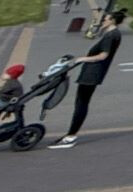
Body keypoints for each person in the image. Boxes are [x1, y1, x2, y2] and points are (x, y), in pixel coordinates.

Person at [53, 8, 127, 149]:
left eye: (105, 19)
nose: (103, 20)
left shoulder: (111, 35)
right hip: (92, 72)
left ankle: (71, 136)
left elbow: (103, 55)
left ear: (112, 21)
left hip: (92, 73)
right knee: (80, 102)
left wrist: (82, 59)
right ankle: (70, 133)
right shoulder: (112, 34)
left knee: (81, 103)